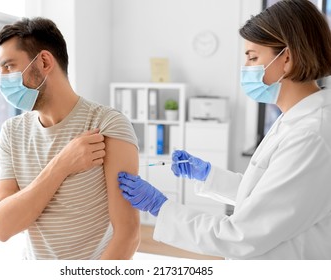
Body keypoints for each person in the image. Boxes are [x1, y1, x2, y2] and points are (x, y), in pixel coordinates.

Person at [118, 0, 331, 259]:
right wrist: (208, 175)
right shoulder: (295, 120)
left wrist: (160, 207)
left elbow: (242, 235)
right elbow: (265, 195)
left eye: (253, 57)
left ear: (286, 58)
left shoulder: (310, 135)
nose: (246, 69)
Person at [0, 17, 140, 260]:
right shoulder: (11, 133)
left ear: (45, 61)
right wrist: (61, 165)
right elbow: (1, 228)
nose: (2, 80)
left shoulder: (107, 125)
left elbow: (128, 234)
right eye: (0, 70)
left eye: (9, 66)